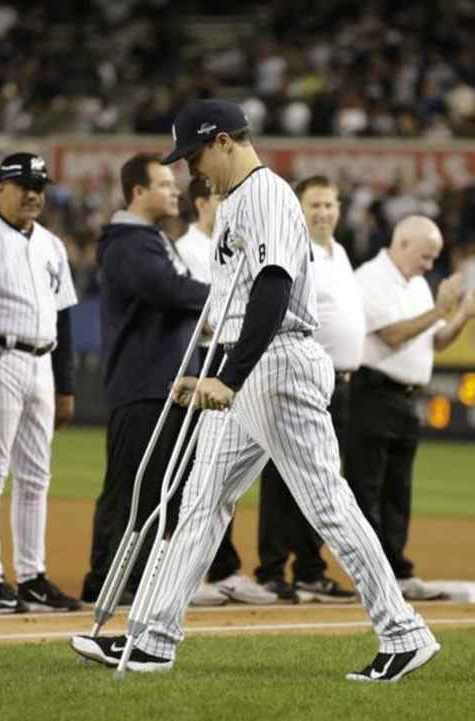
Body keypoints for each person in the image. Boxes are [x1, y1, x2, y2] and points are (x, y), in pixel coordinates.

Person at [72, 99, 440, 682]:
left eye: (193, 154)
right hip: (244, 363)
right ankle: (151, 639)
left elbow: (272, 286)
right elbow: (237, 301)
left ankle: (403, 631)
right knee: (198, 502)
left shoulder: (265, 194)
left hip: (274, 365)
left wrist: (230, 374)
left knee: (325, 502)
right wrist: (211, 367)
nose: (191, 167)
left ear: (222, 141)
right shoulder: (237, 200)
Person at [80, 153, 209, 604]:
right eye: (165, 185)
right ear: (138, 191)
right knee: (131, 489)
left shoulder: (151, 239)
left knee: (159, 493)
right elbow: (168, 289)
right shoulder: (128, 242)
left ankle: (139, 580)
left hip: (167, 385)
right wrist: (224, 297)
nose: (175, 192)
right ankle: (106, 581)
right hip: (143, 386)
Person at [345, 214, 475, 601]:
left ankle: (396, 571)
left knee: (397, 490)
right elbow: (392, 335)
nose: (430, 265)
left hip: (405, 399)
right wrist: (440, 310)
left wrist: (463, 314)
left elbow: (434, 343)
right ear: (402, 244)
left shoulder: (416, 284)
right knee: (366, 488)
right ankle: (369, 576)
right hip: (372, 393)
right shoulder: (370, 279)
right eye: (426, 256)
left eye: (434, 257)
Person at [255, 175, 365, 603]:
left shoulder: (338, 254)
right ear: (299, 210)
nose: (323, 212)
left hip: (340, 383)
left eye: (329, 204)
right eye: (315, 205)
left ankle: (309, 568)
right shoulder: (296, 251)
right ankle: (270, 569)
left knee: (321, 480)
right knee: (283, 478)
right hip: (301, 380)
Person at [177, 177, 276, 606]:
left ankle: (222, 569)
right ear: (201, 202)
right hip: (204, 363)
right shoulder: (188, 249)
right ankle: (187, 573)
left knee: (220, 475)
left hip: (233, 362)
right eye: (220, 198)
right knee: (195, 474)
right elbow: (200, 312)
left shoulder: (233, 239)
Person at [0, 152, 80, 613]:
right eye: (23, 184)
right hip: (0, 357)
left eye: (39, 186)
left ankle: (32, 576)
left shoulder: (52, 244)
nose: (32, 193)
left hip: (42, 364)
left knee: (35, 478)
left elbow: (64, 319)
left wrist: (66, 386)